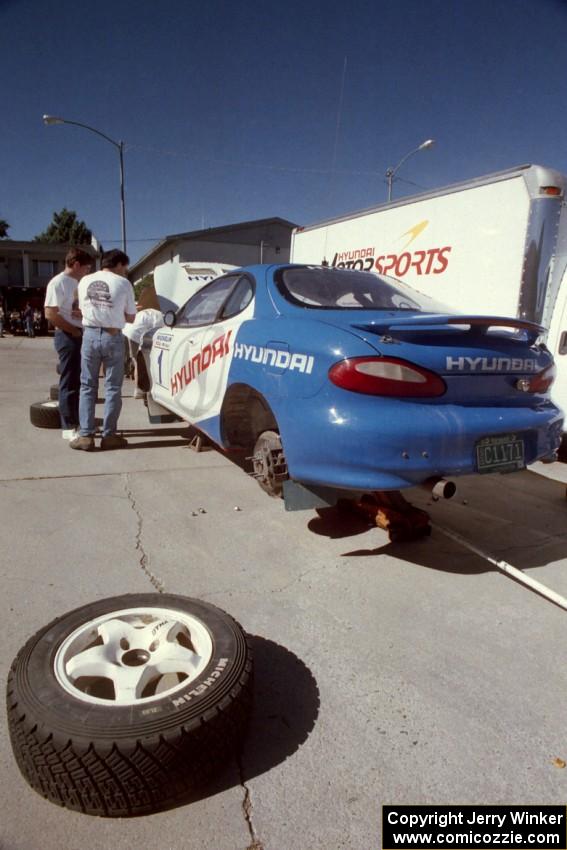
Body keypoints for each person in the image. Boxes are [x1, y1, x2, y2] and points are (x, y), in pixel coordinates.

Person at [70, 249, 136, 451]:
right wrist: (114, 314)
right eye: (124, 268)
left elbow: (79, 308)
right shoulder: (123, 283)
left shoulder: (84, 281)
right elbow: (132, 317)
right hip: (112, 336)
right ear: (118, 265)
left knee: (87, 386)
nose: (125, 272)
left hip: (89, 335)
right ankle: (109, 436)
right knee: (113, 388)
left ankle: (86, 436)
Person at [44, 248, 93, 439]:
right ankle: (68, 426)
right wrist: (72, 330)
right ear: (76, 264)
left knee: (80, 382)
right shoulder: (58, 282)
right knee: (69, 381)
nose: (87, 272)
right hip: (67, 335)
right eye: (86, 268)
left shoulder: (78, 283)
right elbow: (50, 313)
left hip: (79, 333)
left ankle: (78, 422)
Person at [122, 306, 164, 398]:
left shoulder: (148, 313)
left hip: (128, 332)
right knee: (141, 362)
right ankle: (141, 390)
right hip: (135, 334)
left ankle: (138, 389)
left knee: (135, 361)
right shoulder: (161, 318)